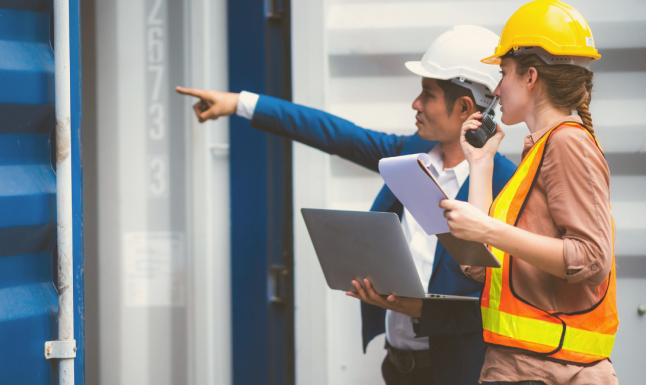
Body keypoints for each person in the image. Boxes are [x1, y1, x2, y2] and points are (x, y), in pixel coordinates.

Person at [178, 25, 516, 385]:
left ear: (464, 107)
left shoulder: (504, 185)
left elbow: (505, 305)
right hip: (397, 368)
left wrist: (420, 310)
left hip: (457, 374)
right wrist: (239, 103)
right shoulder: (410, 155)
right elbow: (335, 134)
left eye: (427, 94)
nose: (415, 104)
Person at [439, 2, 619, 385]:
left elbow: (591, 260)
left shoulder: (567, 144)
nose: (498, 88)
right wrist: (481, 164)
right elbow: (482, 265)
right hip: (526, 366)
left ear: (531, 76)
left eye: (503, 73)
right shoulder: (540, 149)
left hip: (552, 370)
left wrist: (487, 230)